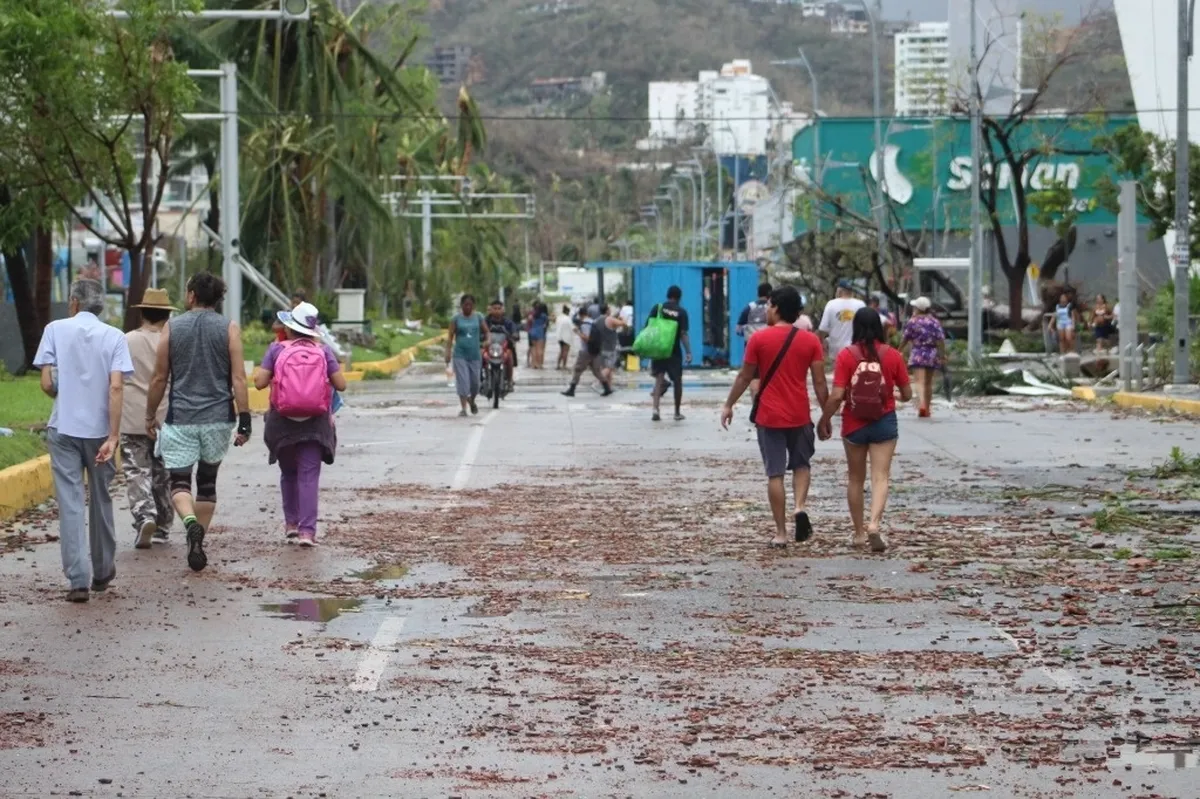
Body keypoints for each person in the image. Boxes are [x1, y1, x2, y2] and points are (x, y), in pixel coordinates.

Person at [34, 279, 134, 602]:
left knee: (71, 502)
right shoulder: (115, 337)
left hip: (63, 429)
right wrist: (114, 436)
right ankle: (103, 572)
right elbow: (116, 388)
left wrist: (62, 393)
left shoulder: (54, 329)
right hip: (100, 435)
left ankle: (78, 580)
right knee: (102, 498)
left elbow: (47, 382)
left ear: (74, 302)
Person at [145, 272, 251, 574]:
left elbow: (159, 377)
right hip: (219, 418)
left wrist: (149, 414)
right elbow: (238, 378)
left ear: (191, 296)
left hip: (181, 417)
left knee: (179, 482)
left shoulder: (172, 327)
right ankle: (198, 542)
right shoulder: (229, 328)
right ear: (218, 299)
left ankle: (189, 523)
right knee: (207, 483)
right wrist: (244, 420)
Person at [721, 286, 828, 549]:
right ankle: (799, 507)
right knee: (802, 465)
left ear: (777, 308)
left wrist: (729, 404)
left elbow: (745, 377)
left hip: (769, 416)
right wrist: (827, 415)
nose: (766, 310)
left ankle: (780, 533)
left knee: (775, 474)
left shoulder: (759, 339)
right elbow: (819, 383)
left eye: (769, 306)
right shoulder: (811, 341)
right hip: (800, 414)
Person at [818, 308, 912, 553]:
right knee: (880, 476)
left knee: (855, 479)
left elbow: (837, 394)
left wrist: (824, 419)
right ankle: (874, 524)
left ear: (855, 327)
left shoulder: (846, 356)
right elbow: (908, 394)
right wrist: (896, 396)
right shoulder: (893, 356)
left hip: (854, 423)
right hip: (884, 422)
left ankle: (859, 534)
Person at [253, 302, 348, 546]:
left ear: (290, 327)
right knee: (309, 475)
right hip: (315, 422)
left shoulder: (276, 349)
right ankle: (308, 532)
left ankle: (291, 525)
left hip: (282, 421)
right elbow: (341, 384)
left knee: (288, 473)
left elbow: (260, 382)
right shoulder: (323, 351)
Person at [121, 288, 177, 549]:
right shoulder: (173, 342)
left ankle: (144, 515)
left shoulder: (126, 340)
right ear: (167, 315)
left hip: (132, 415)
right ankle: (164, 526)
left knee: (136, 470)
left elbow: (116, 379)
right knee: (163, 473)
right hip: (166, 416)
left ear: (142, 313)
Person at [649, 285, 692, 422]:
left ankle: (656, 409)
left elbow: (649, 327)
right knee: (677, 381)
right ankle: (677, 412)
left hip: (659, 349)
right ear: (679, 297)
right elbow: (683, 334)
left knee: (659, 379)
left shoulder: (658, 308)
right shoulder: (681, 312)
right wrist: (688, 352)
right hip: (674, 351)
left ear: (667, 295)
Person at [900, 297, 946, 419]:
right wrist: (942, 355)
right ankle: (928, 407)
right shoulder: (934, 322)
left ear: (918, 309)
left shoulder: (912, 321)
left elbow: (905, 338)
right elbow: (940, 340)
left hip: (918, 353)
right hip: (932, 353)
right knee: (928, 383)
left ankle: (922, 405)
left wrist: (898, 350)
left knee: (919, 381)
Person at [561, 304, 616, 397]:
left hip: (586, 351)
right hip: (595, 350)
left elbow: (587, 338)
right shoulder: (593, 322)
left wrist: (577, 332)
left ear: (581, 315)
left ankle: (571, 389)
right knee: (596, 371)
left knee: (578, 369)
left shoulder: (585, 324)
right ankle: (607, 388)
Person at [445, 294, 486, 416]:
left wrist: (487, 341)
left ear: (474, 306)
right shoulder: (456, 319)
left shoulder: (478, 317)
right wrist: (447, 352)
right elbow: (450, 337)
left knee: (475, 384)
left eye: (470, 305)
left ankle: (471, 400)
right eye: (465, 305)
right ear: (461, 305)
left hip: (474, 355)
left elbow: (487, 332)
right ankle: (463, 409)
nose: (467, 307)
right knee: (463, 382)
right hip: (460, 355)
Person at [818, 280, 866, 359]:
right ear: (851, 292)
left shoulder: (831, 304)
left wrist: (823, 343)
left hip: (837, 353)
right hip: (857, 352)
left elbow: (822, 329)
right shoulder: (861, 304)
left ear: (839, 291)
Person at [485, 299, 519, 389]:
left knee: (510, 355)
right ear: (490, 310)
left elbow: (514, 331)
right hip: (488, 348)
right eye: (494, 308)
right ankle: (479, 378)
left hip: (503, 348)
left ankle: (510, 380)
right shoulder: (485, 321)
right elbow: (479, 331)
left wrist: (514, 335)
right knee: (480, 353)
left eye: (499, 308)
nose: (497, 310)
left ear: (502, 310)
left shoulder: (508, 322)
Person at [528, 302, 549, 369]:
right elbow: (546, 324)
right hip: (540, 332)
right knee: (539, 349)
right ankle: (539, 364)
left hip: (533, 331)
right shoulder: (544, 315)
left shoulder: (533, 315)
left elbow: (529, 320)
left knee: (533, 348)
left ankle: (534, 364)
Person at [555, 304, 574, 371]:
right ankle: (564, 365)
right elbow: (573, 328)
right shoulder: (568, 319)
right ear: (568, 312)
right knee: (565, 351)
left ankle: (558, 365)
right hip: (566, 337)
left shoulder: (559, 317)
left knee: (561, 351)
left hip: (559, 336)